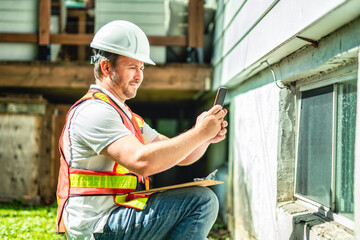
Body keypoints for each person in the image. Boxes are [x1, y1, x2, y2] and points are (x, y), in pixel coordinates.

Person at [56, 20, 228, 240]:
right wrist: (199, 133)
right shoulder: (94, 112)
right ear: (106, 67)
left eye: (141, 67)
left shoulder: (126, 116)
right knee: (201, 201)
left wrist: (204, 137)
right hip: (97, 226)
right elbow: (142, 162)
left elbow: (181, 157)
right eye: (132, 67)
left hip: (117, 216)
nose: (139, 76)